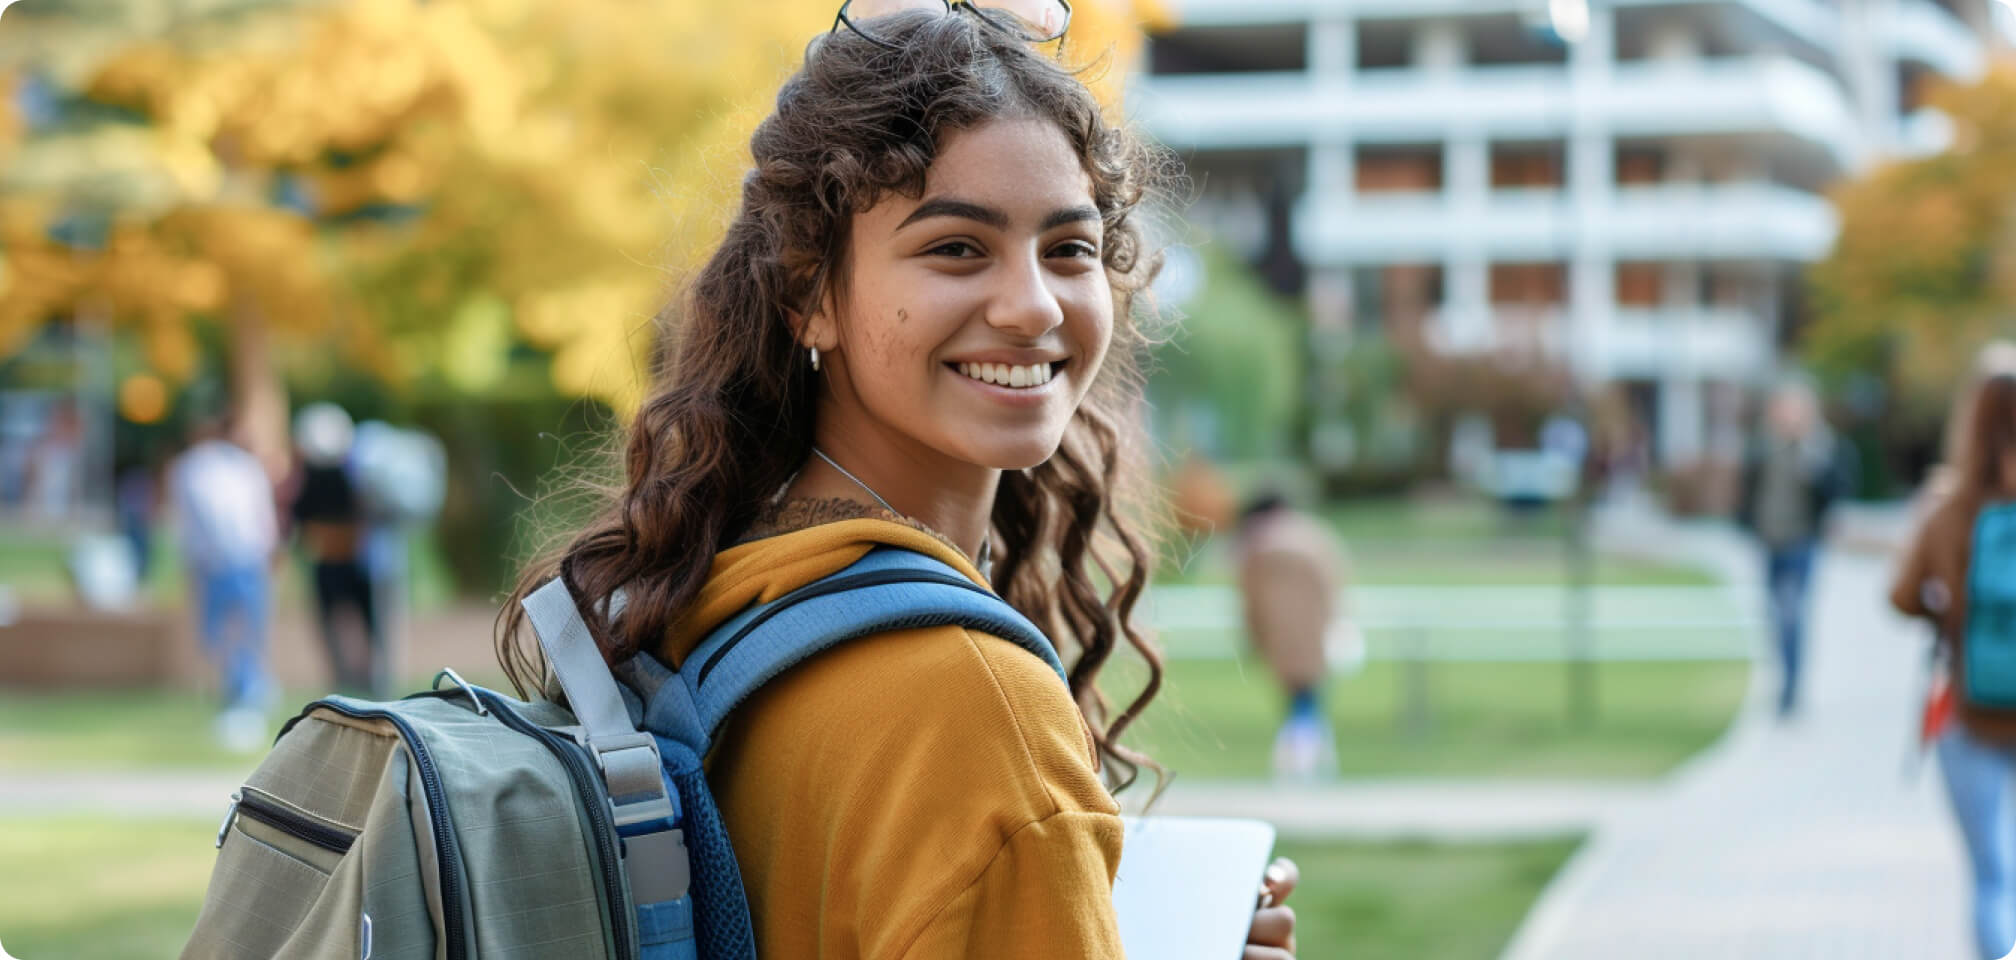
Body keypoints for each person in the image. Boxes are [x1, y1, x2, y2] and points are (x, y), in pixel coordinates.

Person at [496, 8, 1300, 957]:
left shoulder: (698, 596)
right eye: (956, 247)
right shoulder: (972, 710)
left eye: (1068, 249)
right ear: (809, 294)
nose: (1032, 304)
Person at [1892, 372, 2016, 959]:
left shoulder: (1948, 511)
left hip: (1970, 710)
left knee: (1994, 877)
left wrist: (1949, 615)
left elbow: (1900, 595)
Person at [1737, 378, 1854, 718]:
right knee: (1774, 614)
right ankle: (1784, 678)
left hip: (1803, 541)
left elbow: (1836, 490)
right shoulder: (1764, 447)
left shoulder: (1821, 448)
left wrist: (1812, 459)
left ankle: (1791, 688)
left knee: (1793, 614)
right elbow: (1750, 489)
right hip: (1770, 540)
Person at [167, 411, 279, 752]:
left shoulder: (237, 467)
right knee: (227, 634)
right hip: (222, 562)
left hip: (239, 560)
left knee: (242, 632)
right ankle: (240, 695)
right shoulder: (197, 468)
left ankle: (246, 696)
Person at [1235, 492, 1350, 779]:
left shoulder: (1256, 548)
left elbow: (1248, 601)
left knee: (1299, 699)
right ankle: (1307, 761)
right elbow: (1333, 587)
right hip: (1314, 633)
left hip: (1278, 638)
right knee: (1308, 698)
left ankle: (1301, 760)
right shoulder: (1313, 538)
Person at [287, 402, 383, 696]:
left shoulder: (337, 475)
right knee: (356, 624)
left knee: (343, 624)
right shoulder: (349, 475)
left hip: (341, 561)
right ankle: (358, 677)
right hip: (344, 561)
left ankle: (354, 676)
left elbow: (298, 517)